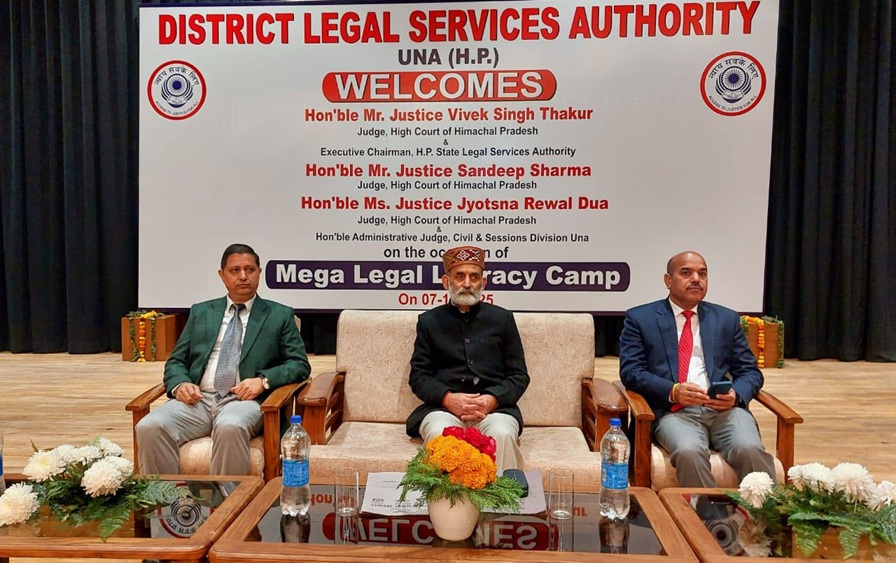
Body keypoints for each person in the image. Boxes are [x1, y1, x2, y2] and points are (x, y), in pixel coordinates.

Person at [136, 243, 310, 476]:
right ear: (222, 275)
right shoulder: (201, 312)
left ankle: (230, 499)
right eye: (235, 270)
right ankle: (167, 498)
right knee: (149, 426)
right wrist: (180, 384)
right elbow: (176, 361)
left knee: (230, 426)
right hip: (198, 401)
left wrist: (263, 381)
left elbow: (299, 364)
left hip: (244, 402)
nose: (243, 276)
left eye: (250, 270)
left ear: (259, 272)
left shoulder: (279, 314)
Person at [619, 250, 775, 488]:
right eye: (686, 273)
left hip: (725, 411)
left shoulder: (726, 318)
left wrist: (735, 396)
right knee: (689, 451)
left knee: (749, 449)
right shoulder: (641, 318)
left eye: (702, 274)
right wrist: (673, 391)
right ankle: (707, 512)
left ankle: (761, 511)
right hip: (674, 412)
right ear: (668, 280)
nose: (696, 279)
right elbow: (631, 372)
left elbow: (750, 372)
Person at [406, 246, 530, 474]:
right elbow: (419, 376)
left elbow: (519, 375)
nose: (467, 283)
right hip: (443, 409)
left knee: (502, 433)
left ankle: (503, 495)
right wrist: (447, 398)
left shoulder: (502, 319)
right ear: (446, 281)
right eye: (459, 276)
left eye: (474, 277)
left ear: (483, 282)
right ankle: (441, 497)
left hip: (495, 410)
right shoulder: (429, 321)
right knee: (439, 432)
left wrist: (492, 399)